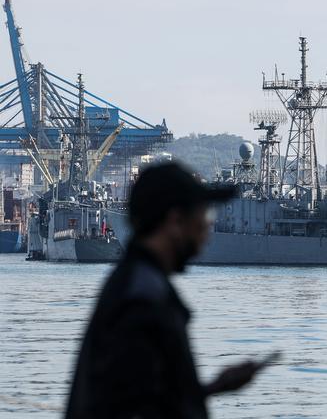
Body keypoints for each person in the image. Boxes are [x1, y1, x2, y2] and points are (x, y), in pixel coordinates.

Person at [65, 162, 269, 419]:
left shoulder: (136, 281)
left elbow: (141, 395)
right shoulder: (143, 297)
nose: (207, 229)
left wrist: (214, 387)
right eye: (204, 216)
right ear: (175, 221)